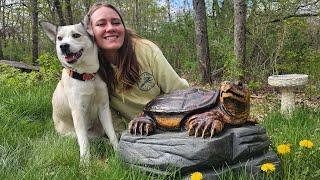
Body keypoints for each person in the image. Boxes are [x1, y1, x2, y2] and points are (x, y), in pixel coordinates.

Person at [87, 2, 189, 133]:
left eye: (116, 22)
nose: (110, 28)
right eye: (101, 24)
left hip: (174, 116)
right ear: (90, 32)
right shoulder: (90, 68)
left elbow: (179, 91)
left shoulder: (146, 50)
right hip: (142, 128)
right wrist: (122, 137)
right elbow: (105, 111)